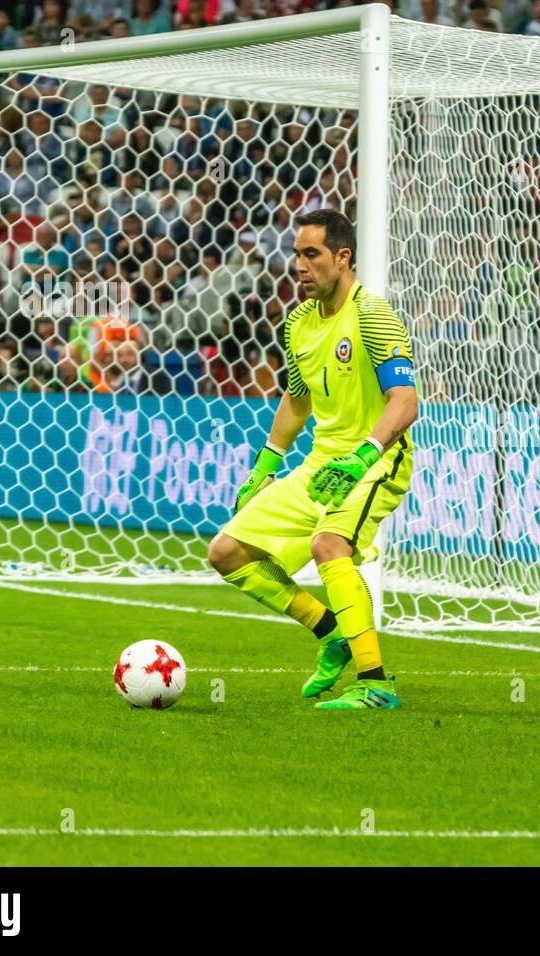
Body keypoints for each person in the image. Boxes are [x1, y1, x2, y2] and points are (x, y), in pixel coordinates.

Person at [207, 210, 417, 711]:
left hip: (375, 459)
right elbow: (297, 400)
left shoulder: (372, 314)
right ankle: (330, 633)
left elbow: (405, 404)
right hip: (322, 464)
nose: (299, 266)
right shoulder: (298, 323)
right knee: (226, 552)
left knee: (329, 545)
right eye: (297, 255)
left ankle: (377, 684)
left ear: (342, 257)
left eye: (311, 254)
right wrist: (265, 465)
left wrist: (361, 457)